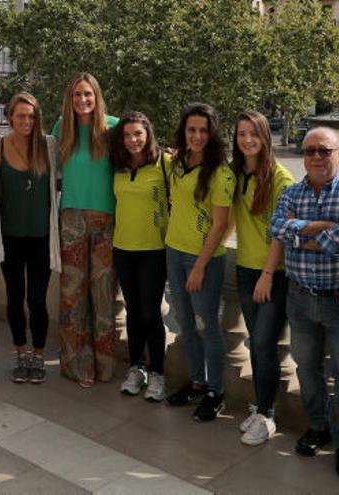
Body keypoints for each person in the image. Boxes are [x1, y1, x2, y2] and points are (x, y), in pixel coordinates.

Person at [269, 127, 339, 476]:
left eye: (324, 151)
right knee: (307, 370)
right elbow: (277, 228)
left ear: (336, 153)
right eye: (310, 150)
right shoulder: (291, 190)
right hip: (299, 298)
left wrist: (300, 233)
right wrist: (323, 228)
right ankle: (318, 427)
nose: (315, 157)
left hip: (336, 299)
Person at [164, 103, 235, 422]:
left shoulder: (221, 172)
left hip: (202, 260)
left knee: (209, 327)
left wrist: (199, 266)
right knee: (186, 323)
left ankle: (216, 391)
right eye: (191, 129)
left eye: (203, 130)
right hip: (173, 251)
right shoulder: (177, 163)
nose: (197, 135)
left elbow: (221, 226)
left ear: (212, 133)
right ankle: (196, 382)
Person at [51, 72, 120, 387]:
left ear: (97, 97)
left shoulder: (114, 128)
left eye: (88, 95)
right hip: (71, 220)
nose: (82, 100)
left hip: (106, 221)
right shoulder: (60, 129)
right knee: (72, 296)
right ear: (70, 98)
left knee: (103, 296)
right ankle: (76, 365)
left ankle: (105, 367)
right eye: (77, 95)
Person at [231, 111, 295, 445]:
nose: (247, 140)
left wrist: (268, 274)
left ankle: (268, 416)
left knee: (263, 344)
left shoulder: (280, 178)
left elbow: (281, 234)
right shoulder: (238, 173)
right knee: (257, 342)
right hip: (244, 269)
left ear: (265, 136)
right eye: (241, 134)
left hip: (273, 273)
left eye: (253, 134)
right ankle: (261, 406)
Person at [0, 92, 59, 384]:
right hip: (10, 238)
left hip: (42, 238)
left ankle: (39, 354)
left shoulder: (49, 145)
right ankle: (21, 353)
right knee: (15, 299)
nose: (27, 121)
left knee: (37, 299)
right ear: (9, 118)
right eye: (21, 116)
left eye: (31, 116)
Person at [109, 112, 170, 401]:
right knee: (133, 314)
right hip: (123, 249)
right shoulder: (118, 167)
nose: (133, 140)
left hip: (154, 251)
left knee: (150, 314)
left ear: (148, 135)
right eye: (127, 135)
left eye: (138, 134)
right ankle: (137, 368)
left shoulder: (165, 164)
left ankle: (158, 373)